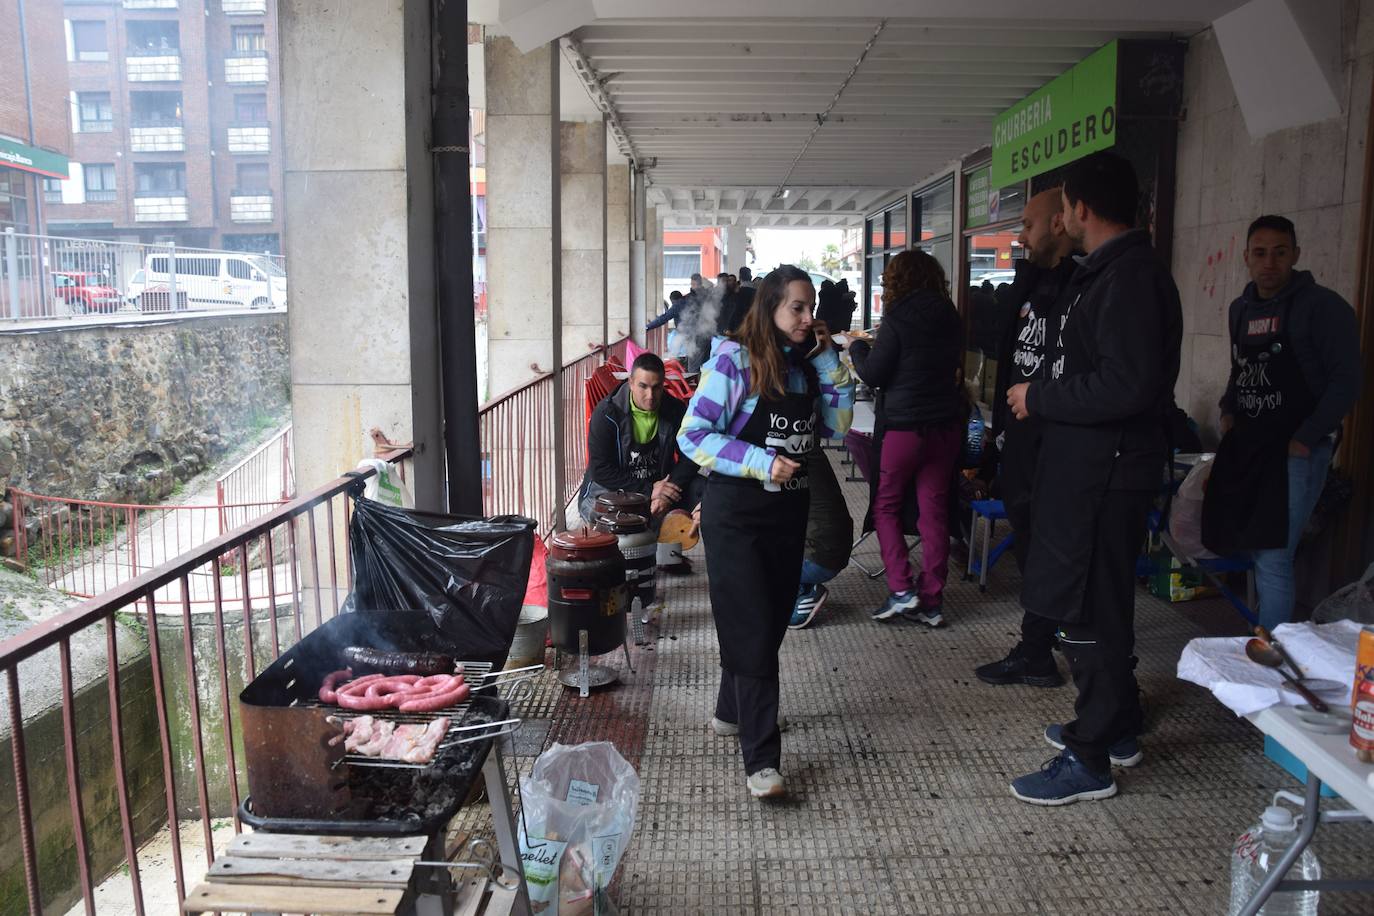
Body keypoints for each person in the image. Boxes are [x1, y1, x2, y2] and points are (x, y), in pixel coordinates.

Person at [1004, 151, 1182, 806]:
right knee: (1099, 603)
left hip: (1106, 474)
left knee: (1090, 611)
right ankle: (1119, 725)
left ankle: (1092, 755)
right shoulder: (1108, 273)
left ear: (1079, 209)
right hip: (1092, 470)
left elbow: (1125, 383)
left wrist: (1040, 398)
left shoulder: (1129, 278)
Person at [678, 265, 854, 799]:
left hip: (787, 514)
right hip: (736, 516)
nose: (807, 317)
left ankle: (731, 710)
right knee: (754, 628)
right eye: (796, 308)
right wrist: (758, 460)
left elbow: (837, 428)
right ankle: (762, 761)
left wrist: (828, 358)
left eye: (810, 307)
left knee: (771, 621)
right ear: (770, 307)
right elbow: (693, 436)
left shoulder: (805, 366)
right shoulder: (734, 361)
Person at [1203, 215, 1362, 632]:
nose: (1269, 262)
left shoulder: (1323, 307)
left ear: (1296, 255)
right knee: (1256, 549)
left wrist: (1306, 438)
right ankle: (1269, 642)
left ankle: (1272, 658)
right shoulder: (1240, 309)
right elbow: (1240, 370)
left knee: (1274, 557)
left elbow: (1348, 381)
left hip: (1296, 453)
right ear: (1246, 257)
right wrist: (1227, 411)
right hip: (1250, 449)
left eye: (1280, 252)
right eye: (1260, 253)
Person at [974, 188, 1077, 688]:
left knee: (1057, 553)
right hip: (1019, 442)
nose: (1020, 235)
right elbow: (1008, 356)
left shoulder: (1084, 286)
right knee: (1030, 547)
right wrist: (996, 430)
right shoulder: (1025, 283)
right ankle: (1038, 645)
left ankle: (1053, 650)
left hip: (1059, 448)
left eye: (1029, 225)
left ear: (1059, 224)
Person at [847, 250, 964, 627]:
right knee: (934, 512)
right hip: (944, 428)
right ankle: (932, 600)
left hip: (903, 429)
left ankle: (901, 589)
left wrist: (856, 346)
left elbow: (874, 374)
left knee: (887, 507)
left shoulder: (897, 319)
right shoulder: (951, 316)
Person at [577, 352, 703, 537]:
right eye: (643, 386)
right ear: (631, 382)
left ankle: (677, 554)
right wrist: (650, 490)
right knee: (612, 518)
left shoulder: (675, 409)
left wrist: (667, 492)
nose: (650, 396)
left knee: (708, 493)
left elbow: (691, 455)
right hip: (613, 488)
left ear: (663, 384)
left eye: (656, 387)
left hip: (660, 484)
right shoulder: (606, 414)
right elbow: (601, 469)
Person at [789, 443, 853, 630]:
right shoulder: (807, 448)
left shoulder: (782, 457)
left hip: (819, 558)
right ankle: (802, 586)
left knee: (748, 567)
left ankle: (803, 591)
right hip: (833, 551)